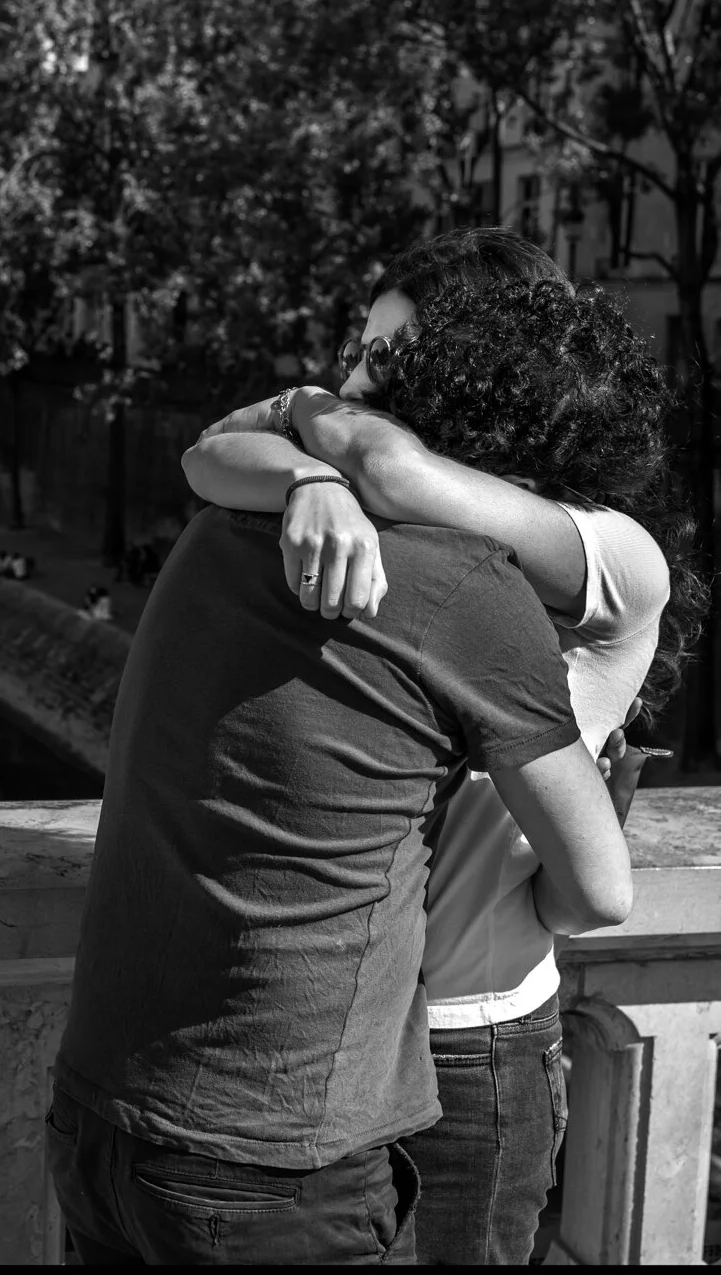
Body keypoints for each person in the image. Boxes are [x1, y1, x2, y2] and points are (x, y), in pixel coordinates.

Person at [49, 270, 637, 1263]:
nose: (341, 383)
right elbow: (599, 889)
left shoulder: (216, 531)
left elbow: (234, 442)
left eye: (374, 360)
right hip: (281, 1152)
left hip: (106, 1109)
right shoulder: (463, 590)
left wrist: (317, 464)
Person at [182, 226, 706, 1263]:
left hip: (471, 1042)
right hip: (338, 1048)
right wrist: (310, 474)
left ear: (488, 373)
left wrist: (314, 429)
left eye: (388, 361)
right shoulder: (398, 548)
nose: (353, 384)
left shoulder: (610, 550)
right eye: (355, 354)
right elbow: (202, 458)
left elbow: (595, 895)